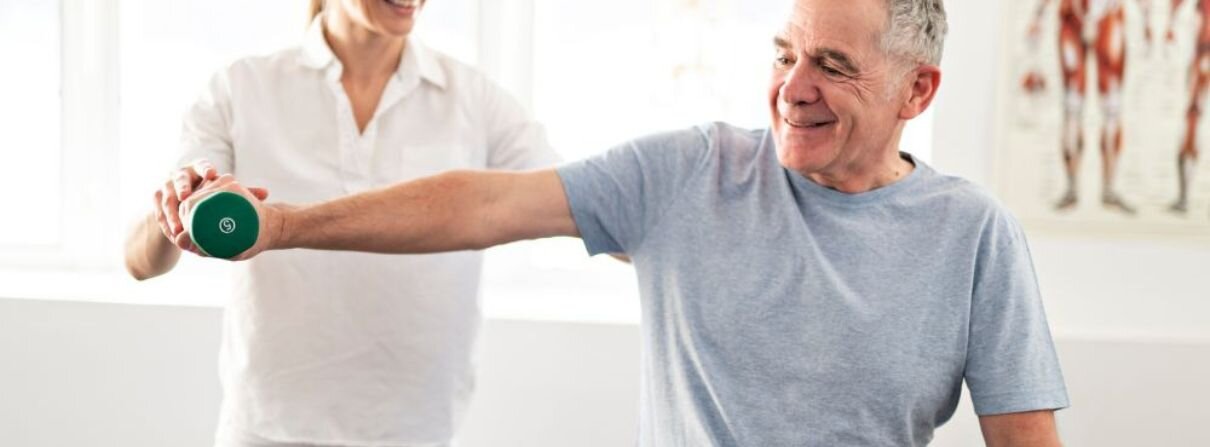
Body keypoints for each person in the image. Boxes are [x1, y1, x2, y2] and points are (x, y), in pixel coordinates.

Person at [175, 0, 1070, 445]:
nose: (792, 89)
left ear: (918, 90)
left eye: (832, 66)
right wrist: (281, 226)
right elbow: (483, 202)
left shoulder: (973, 235)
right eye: (784, 54)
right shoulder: (688, 175)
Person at [122, 0, 560, 445]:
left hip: (413, 431)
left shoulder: (474, 99)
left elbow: (570, 202)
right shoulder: (242, 88)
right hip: (267, 429)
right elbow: (140, 263)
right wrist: (175, 210)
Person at [1029, 0, 1136, 213]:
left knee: (1107, 106)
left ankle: (1104, 188)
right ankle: (1076, 188)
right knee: (1075, 106)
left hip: (1105, 15)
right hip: (1077, 16)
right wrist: (1038, 17)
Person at [1171, 0, 1210, 216]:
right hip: (1196, 59)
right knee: (1190, 126)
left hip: (1200, 59)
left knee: (1192, 125)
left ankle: (1184, 196)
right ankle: (1184, 195)